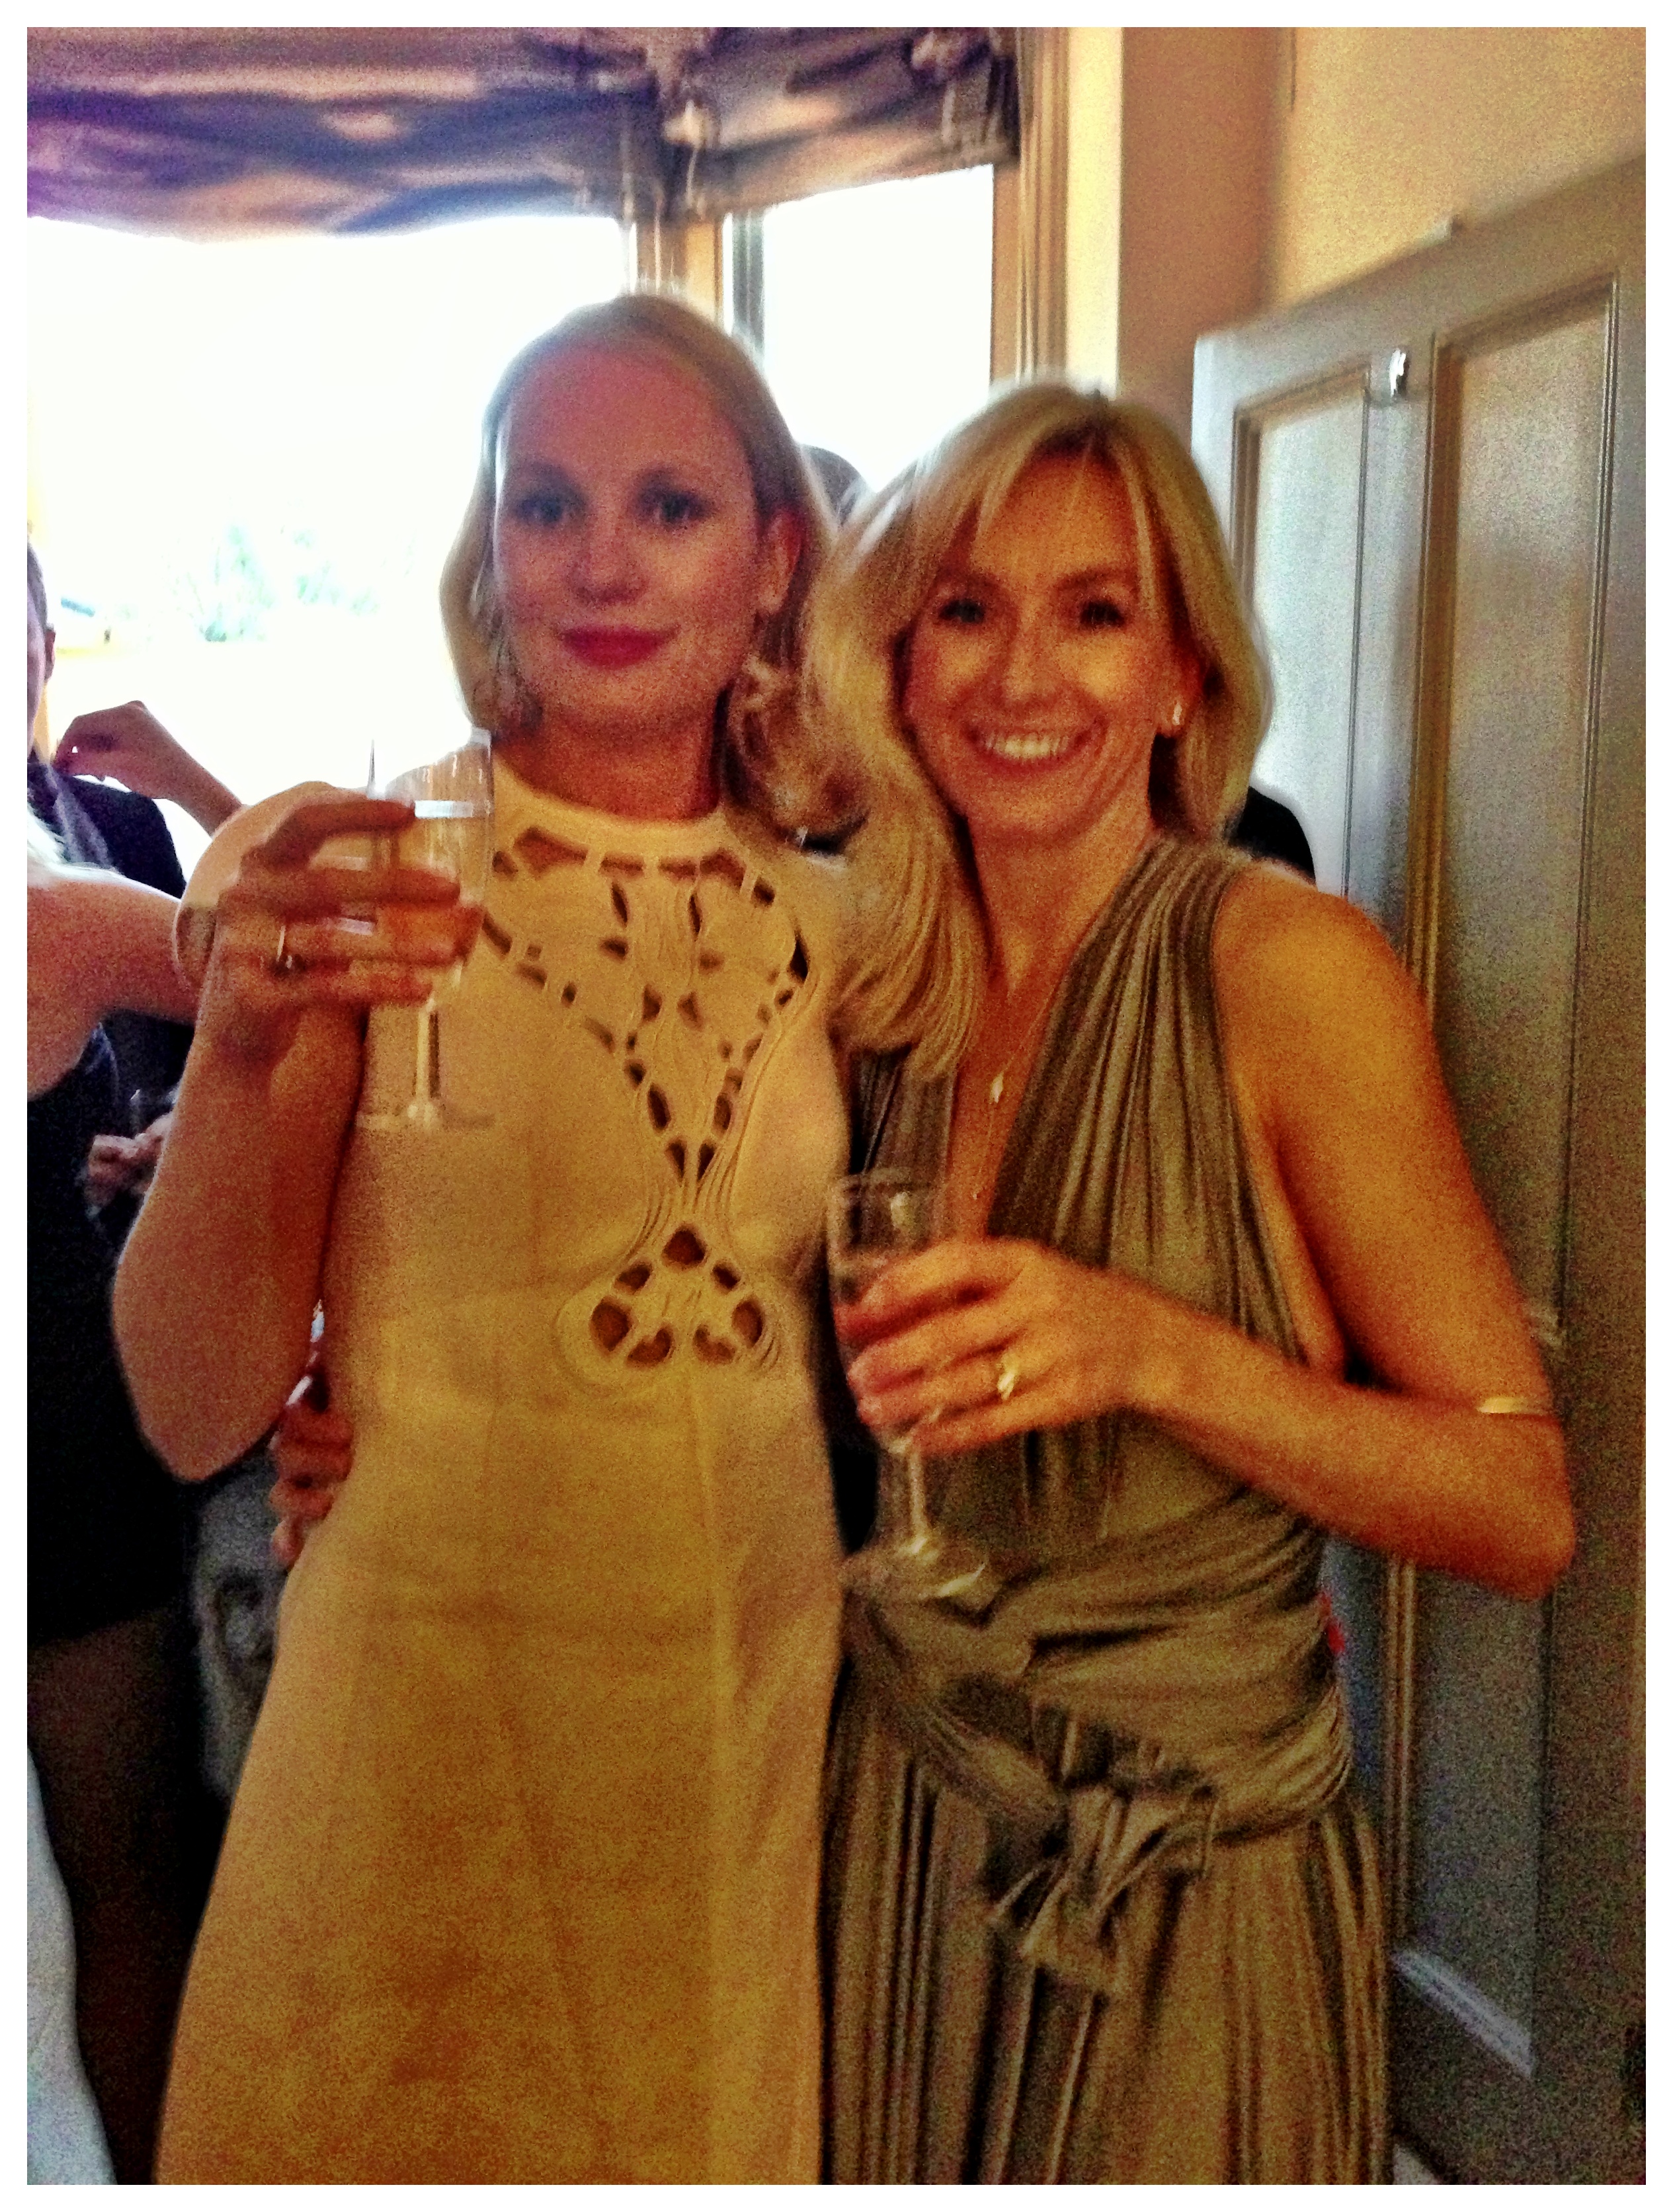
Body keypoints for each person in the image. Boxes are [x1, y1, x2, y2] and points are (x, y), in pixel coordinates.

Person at [112, 294, 943, 2185]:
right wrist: (234, 1050)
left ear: (772, 559)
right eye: (546, 504)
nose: (600, 563)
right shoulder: (360, 869)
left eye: (668, 507)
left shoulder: (849, 927)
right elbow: (190, 1405)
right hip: (420, 1684)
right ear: (489, 546)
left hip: (732, 1693)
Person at [797, 384, 1574, 2183]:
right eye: (967, 610)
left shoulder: (1286, 968)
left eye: (1095, 612)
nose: (1021, 675)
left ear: (1179, 676)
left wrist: (1152, 1348)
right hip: (899, 1829)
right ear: (900, 660)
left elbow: (1520, 1505)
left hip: (1179, 1893)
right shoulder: (877, 982)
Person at [26, 555, 221, 2184]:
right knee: (130, 1880)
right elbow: (341, 969)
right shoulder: (47, 913)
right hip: (68, 1455)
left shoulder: (80, 872)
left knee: (123, 1885)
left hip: (79, 1442)